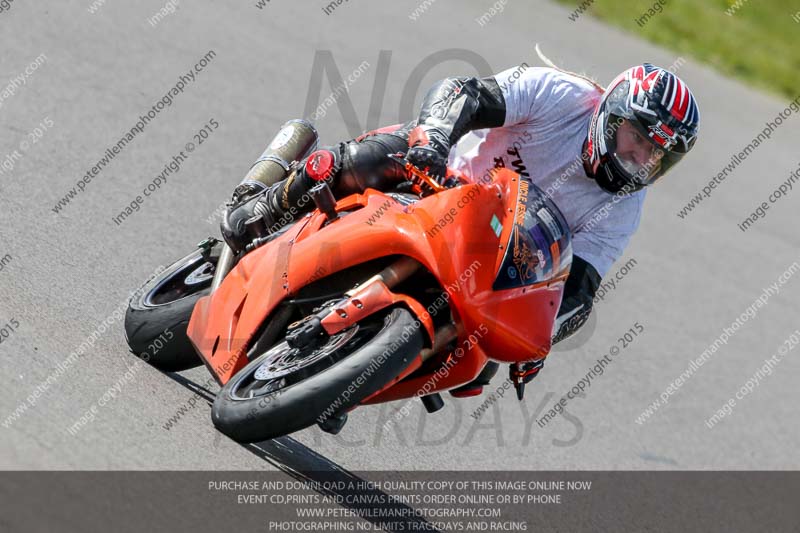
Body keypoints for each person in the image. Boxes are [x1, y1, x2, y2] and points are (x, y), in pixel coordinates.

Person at [221, 54, 700, 395]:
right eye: (636, 138)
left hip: (487, 264)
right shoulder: (561, 96)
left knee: (476, 360)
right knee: (356, 164)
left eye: (655, 155)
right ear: (610, 116)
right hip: (437, 180)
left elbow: (577, 291)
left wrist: (539, 341)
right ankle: (266, 204)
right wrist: (432, 141)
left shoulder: (623, 209)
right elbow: (463, 92)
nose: (640, 159)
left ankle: (357, 379)